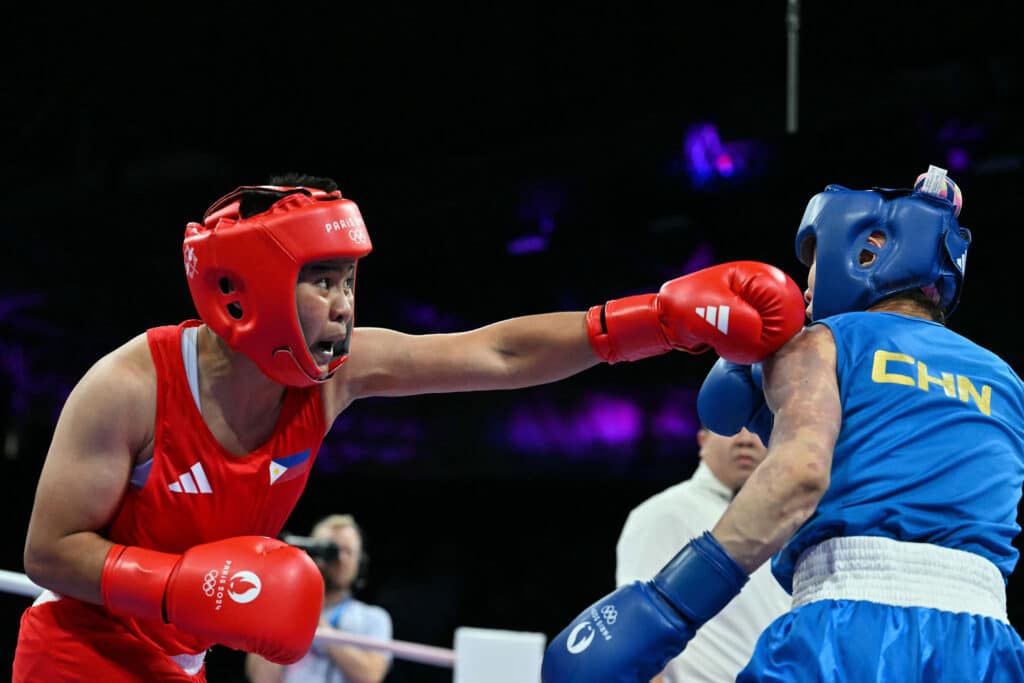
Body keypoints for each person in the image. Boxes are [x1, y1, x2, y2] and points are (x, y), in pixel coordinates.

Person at [11, 172, 806, 682]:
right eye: (320, 280)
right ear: (242, 289)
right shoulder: (130, 387)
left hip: (178, 663)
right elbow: (47, 550)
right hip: (76, 656)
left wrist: (652, 320)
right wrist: (180, 586)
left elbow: (493, 352)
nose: (345, 305)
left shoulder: (334, 376)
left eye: (348, 279)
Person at [541, 165, 1024, 682]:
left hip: (851, 627)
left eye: (814, 259)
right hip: (985, 644)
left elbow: (800, 474)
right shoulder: (1007, 381)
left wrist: (667, 606)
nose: (807, 285)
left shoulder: (824, 341)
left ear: (868, 251)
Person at [614, 426, 789, 682]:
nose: (744, 439)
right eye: (732, 426)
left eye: (754, 427)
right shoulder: (663, 513)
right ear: (703, 441)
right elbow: (637, 630)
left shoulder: (790, 520)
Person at [245, 514, 392, 683]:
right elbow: (262, 679)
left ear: (360, 562)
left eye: (349, 551)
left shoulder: (374, 618)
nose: (341, 559)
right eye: (332, 550)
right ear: (313, 553)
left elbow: (371, 675)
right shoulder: (285, 614)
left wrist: (319, 628)